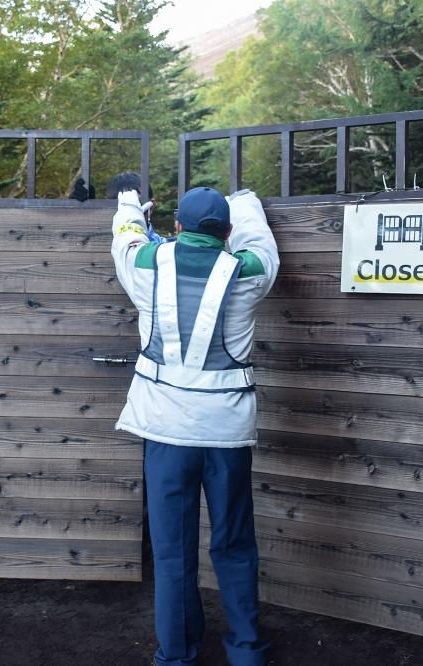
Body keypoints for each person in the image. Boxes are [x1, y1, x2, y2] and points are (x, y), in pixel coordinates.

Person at [109, 185, 279, 666]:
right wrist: (245, 199)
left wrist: (129, 202)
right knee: (234, 542)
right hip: (226, 434)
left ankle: (178, 656)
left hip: (164, 434)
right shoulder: (249, 270)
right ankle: (246, 652)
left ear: (177, 228)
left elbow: (125, 237)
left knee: (172, 553)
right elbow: (261, 242)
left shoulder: (146, 263)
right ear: (225, 232)